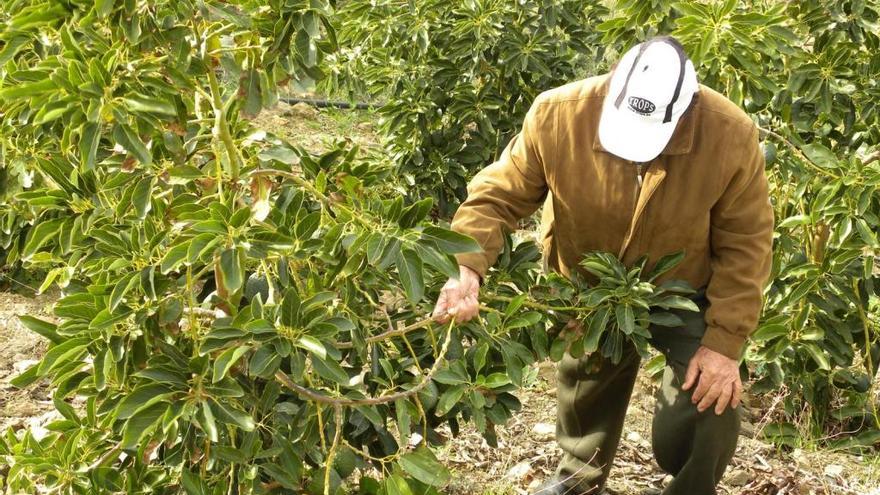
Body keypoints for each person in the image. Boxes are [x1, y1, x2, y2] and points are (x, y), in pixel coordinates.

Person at [431, 35, 774, 495]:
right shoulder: (558, 114)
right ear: (612, 87)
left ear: (685, 107)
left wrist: (725, 340)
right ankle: (578, 480)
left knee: (713, 394)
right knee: (587, 389)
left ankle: (690, 486)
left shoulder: (728, 133)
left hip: (683, 284)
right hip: (589, 282)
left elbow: (747, 241)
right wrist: (466, 266)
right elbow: (497, 195)